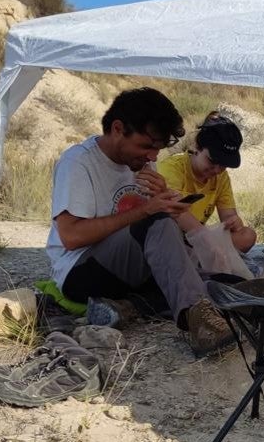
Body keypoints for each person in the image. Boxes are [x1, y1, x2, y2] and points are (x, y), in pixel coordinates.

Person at [46, 87, 233, 358]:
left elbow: (155, 233)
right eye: (147, 146)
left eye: (157, 149)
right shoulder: (79, 162)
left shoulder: (141, 164)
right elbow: (71, 237)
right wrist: (147, 210)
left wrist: (164, 198)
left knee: (218, 279)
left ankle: (130, 307)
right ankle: (199, 323)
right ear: (118, 129)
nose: (153, 157)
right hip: (81, 270)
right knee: (173, 255)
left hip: (127, 268)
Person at [157, 112, 257, 252]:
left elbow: (228, 215)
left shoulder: (221, 177)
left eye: (223, 165)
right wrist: (207, 240)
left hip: (197, 238)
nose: (217, 170)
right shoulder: (172, 169)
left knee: (247, 236)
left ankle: (201, 257)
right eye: (212, 161)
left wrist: (234, 222)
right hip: (171, 237)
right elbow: (175, 213)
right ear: (197, 147)